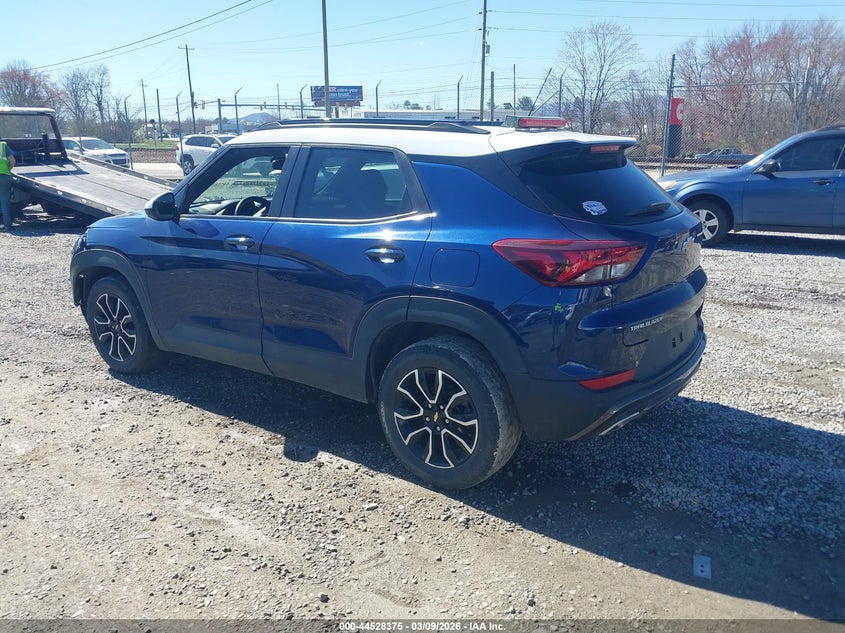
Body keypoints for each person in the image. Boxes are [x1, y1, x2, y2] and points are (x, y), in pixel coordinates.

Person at [0, 138, 16, 231]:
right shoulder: (3, 145)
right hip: (4, 176)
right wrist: (8, 170)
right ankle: (7, 226)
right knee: (4, 201)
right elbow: (12, 160)